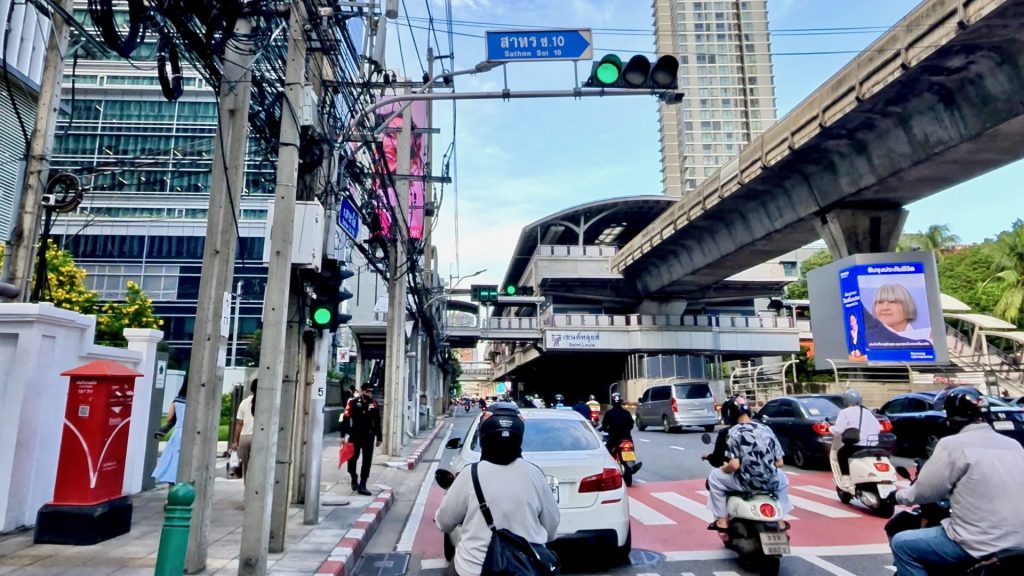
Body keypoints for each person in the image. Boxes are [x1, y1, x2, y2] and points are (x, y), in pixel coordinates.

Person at [890, 387, 1024, 576]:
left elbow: (925, 491)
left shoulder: (953, 444)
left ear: (951, 418)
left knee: (902, 544)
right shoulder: (1014, 446)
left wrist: (897, 496)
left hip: (978, 543)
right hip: (1019, 541)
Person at [435, 403, 559, 576]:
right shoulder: (534, 475)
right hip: (525, 568)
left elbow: (445, 522)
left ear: (483, 437)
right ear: (519, 437)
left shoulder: (470, 474)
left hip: (473, 568)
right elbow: (551, 528)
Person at [705, 401, 792, 531]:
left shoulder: (734, 432)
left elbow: (734, 465)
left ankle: (722, 521)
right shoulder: (766, 429)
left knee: (714, 477)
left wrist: (724, 468)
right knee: (783, 480)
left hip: (746, 482)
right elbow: (780, 463)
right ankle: (780, 519)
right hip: (770, 481)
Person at [339, 383, 382, 495]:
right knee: (352, 460)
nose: (370, 393)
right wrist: (342, 435)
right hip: (355, 436)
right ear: (362, 391)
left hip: (368, 436)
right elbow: (345, 418)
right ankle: (354, 476)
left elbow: (377, 421)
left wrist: (379, 438)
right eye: (368, 391)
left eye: (371, 391)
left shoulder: (374, 404)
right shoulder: (352, 403)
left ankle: (362, 485)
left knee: (367, 461)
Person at [830, 388, 881, 476]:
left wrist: (829, 429)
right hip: (872, 446)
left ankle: (846, 477)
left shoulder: (844, 412)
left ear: (845, 400)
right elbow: (878, 428)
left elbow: (838, 430)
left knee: (841, 454)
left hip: (857, 446)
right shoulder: (867, 412)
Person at [152, 381, 187, 485]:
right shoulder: (197, 401)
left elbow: (169, 419)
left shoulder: (176, 401)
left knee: (172, 461)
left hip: (178, 433)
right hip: (190, 433)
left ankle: (171, 489)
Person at [702, 395, 746, 467]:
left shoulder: (727, 432)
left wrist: (708, 456)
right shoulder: (765, 429)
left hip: (744, 475)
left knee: (714, 475)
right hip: (767, 475)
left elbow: (719, 461)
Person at [230, 379, 257, 482]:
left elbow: (239, 423)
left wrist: (235, 441)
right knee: (256, 465)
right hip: (257, 437)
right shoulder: (265, 403)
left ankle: (247, 487)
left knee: (245, 466)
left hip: (244, 437)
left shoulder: (244, 402)